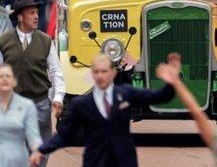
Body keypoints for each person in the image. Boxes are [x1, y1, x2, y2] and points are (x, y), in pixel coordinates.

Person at [34, 53, 177, 167]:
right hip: (96, 161)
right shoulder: (82, 104)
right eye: (96, 72)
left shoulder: (126, 94)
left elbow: (160, 97)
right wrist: (42, 150)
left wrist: (171, 82)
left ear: (113, 73)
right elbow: (65, 135)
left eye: (104, 71)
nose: (100, 76)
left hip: (124, 160)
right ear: (92, 74)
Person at [0, 0, 65, 167]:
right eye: (31, 13)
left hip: (40, 104)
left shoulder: (45, 41)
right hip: (11, 105)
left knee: (40, 150)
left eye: (37, 13)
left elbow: (56, 71)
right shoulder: (4, 41)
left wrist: (58, 98)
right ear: (20, 17)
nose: (36, 16)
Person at [0, 63, 42, 167]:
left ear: (14, 82)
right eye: (0, 76)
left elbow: (34, 137)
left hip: (18, 160)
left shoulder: (27, 105)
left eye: (8, 76)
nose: (5, 79)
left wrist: (37, 151)